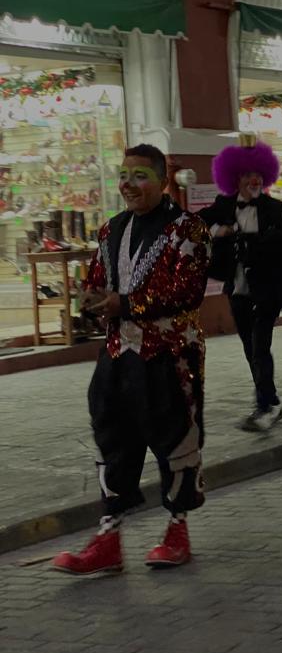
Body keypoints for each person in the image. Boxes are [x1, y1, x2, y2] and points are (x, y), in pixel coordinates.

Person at [52, 144, 211, 574]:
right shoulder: (111, 230)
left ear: (162, 182)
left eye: (140, 175)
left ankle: (177, 530)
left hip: (169, 353)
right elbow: (98, 279)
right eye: (123, 175)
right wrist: (89, 298)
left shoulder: (188, 229)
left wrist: (126, 303)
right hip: (118, 352)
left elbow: (188, 292)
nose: (128, 184)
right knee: (111, 434)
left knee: (175, 434)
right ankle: (109, 538)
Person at [200, 138, 282, 431]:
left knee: (259, 347)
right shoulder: (224, 207)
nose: (253, 179)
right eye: (246, 175)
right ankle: (270, 402)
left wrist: (255, 240)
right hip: (238, 291)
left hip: (267, 290)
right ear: (235, 178)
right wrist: (219, 230)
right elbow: (193, 224)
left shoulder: (275, 209)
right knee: (249, 349)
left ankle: (265, 405)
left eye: (257, 174)